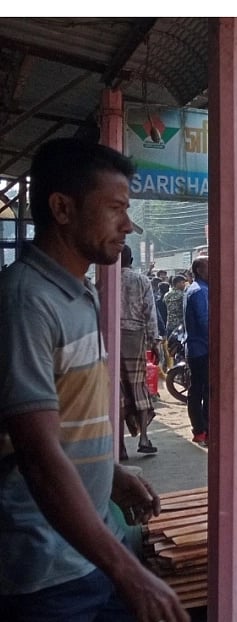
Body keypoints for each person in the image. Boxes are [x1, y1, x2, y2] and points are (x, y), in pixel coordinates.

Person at [0, 137, 187, 621]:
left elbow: (68, 421)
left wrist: (109, 477)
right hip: (47, 570)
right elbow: (39, 458)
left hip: (87, 550)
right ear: (62, 208)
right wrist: (128, 571)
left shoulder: (77, 293)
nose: (128, 223)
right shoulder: (25, 303)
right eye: (115, 208)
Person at [115, 245, 161, 456]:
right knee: (138, 388)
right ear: (131, 259)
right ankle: (143, 438)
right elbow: (149, 313)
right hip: (135, 337)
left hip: (111, 338)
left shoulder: (105, 281)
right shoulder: (141, 280)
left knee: (118, 392)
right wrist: (155, 343)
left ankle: (120, 445)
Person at [184, 256, 211, 445]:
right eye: (209, 266)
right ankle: (202, 429)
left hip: (196, 347)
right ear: (199, 270)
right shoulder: (200, 291)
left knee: (198, 390)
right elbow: (204, 322)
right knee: (203, 391)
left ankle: (201, 429)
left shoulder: (195, 289)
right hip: (202, 347)